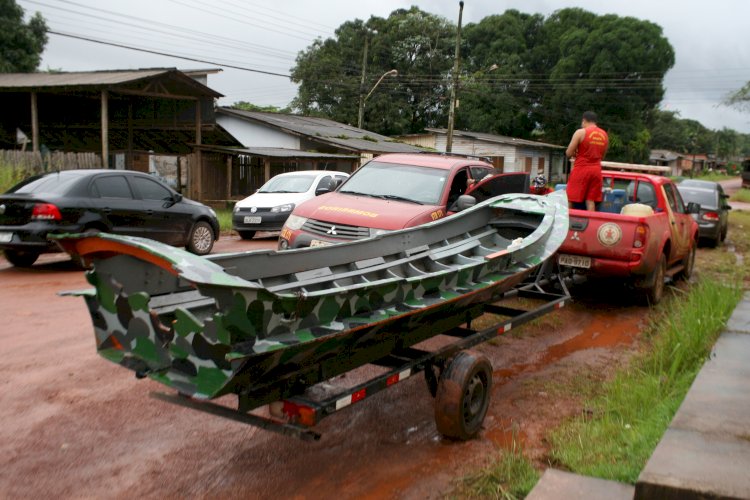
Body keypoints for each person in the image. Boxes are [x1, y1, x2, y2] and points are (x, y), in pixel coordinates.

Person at [565, 111, 609, 211]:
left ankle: (568, 224)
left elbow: (568, 153)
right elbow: (602, 155)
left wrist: (575, 153)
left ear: (584, 121)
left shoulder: (580, 132)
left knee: (570, 199)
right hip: (596, 171)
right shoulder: (604, 135)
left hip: (581, 169)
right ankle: (592, 225)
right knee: (590, 200)